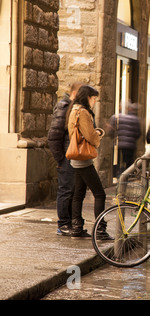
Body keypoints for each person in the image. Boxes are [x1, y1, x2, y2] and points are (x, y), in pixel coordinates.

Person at [66, 85, 111, 239]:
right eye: (93, 99)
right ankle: (100, 230)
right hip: (84, 160)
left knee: (78, 194)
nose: (94, 102)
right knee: (100, 194)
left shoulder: (73, 110)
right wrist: (99, 133)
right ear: (87, 97)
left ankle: (77, 228)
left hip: (76, 158)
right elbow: (91, 136)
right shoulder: (83, 112)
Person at [48, 82, 83, 236]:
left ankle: (71, 223)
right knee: (66, 190)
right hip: (67, 156)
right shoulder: (64, 106)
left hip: (73, 156)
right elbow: (54, 135)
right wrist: (61, 159)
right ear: (76, 93)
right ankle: (63, 225)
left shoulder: (75, 107)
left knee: (74, 191)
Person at [107, 103, 141, 178]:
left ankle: (119, 177)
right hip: (130, 145)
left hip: (118, 144)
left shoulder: (115, 117)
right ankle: (126, 178)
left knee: (118, 162)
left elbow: (110, 132)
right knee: (128, 163)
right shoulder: (135, 119)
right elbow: (138, 133)